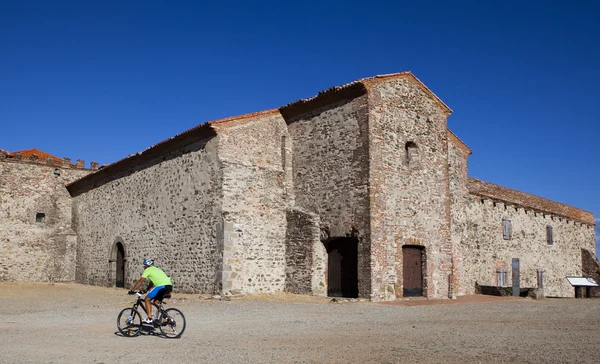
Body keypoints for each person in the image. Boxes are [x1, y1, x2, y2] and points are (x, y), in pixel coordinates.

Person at [129, 258, 173, 324]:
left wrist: (132, 290)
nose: (144, 267)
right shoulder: (156, 269)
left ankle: (149, 318)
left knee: (147, 299)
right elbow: (152, 282)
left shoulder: (148, 270)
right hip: (169, 286)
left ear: (147, 265)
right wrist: (146, 290)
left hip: (161, 286)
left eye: (144, 265)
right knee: (155, 302)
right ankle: (167, 318)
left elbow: (140, 281)